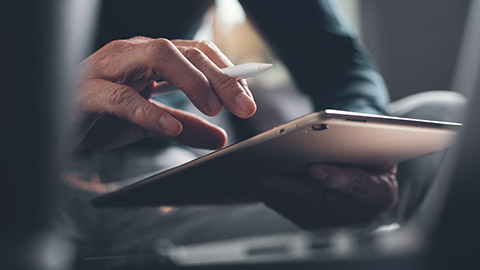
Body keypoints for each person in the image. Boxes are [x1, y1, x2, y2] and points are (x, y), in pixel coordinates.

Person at [59, 0, 398, 257]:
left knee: (426, 137)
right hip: (20, 174)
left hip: (161, 176)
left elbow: (334, 58)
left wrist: (357, 144)